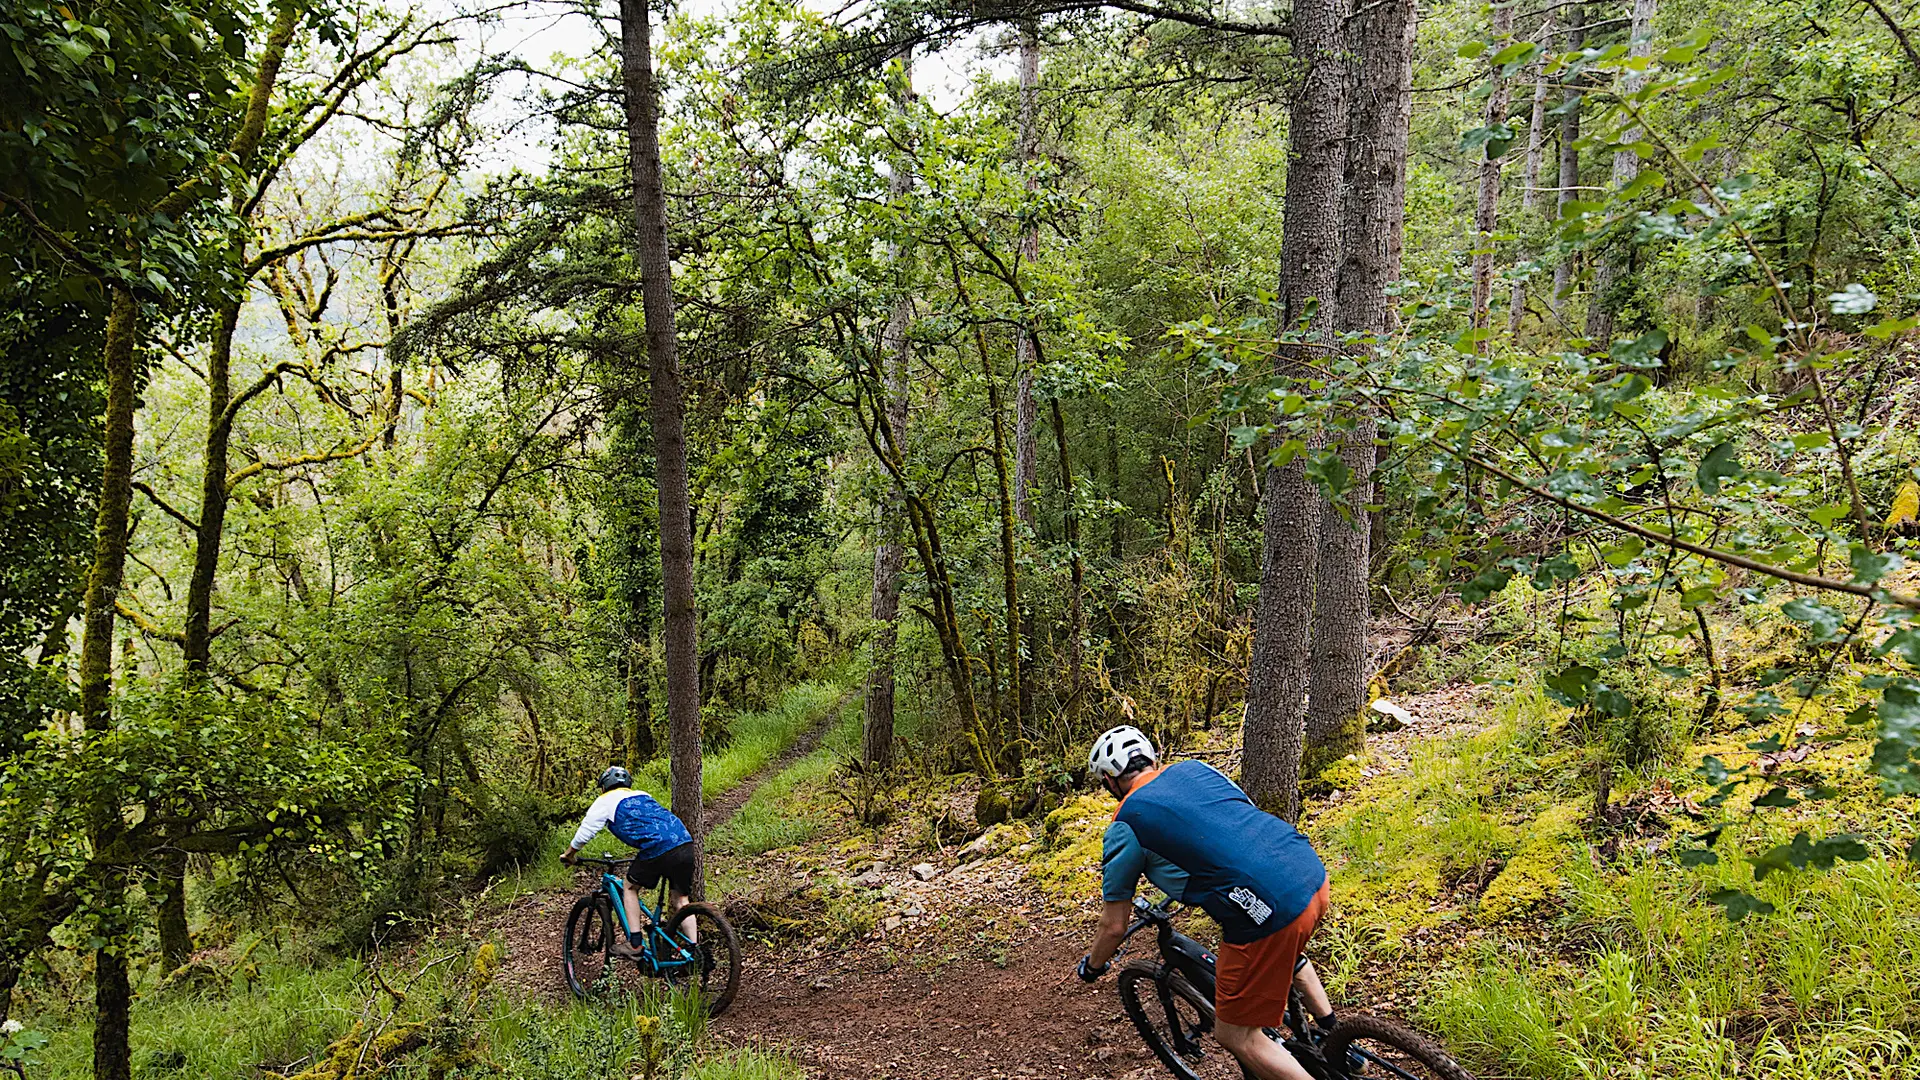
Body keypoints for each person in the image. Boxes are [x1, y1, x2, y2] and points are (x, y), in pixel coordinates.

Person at [1074, 725, 1336, 1080]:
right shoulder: (1196, 769)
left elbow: (1114, 924)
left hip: (1269, 912)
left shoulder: (1126, 823)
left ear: (1109, 779)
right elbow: (1234, 819)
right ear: (1153, 757)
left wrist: (1093, 966)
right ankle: (1334, 1039)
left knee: (1235, 1035)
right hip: (1308, 869)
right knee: (1286, 950)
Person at [562, 765, 697, 957]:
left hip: (657, 847)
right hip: (685, 843)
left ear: (603, 786)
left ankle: (635, 944)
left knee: (629, 887)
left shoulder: (604, 801)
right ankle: (694, 950)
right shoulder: (643, 795)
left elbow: (584, 833)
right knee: (681, 900)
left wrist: (569, 854)